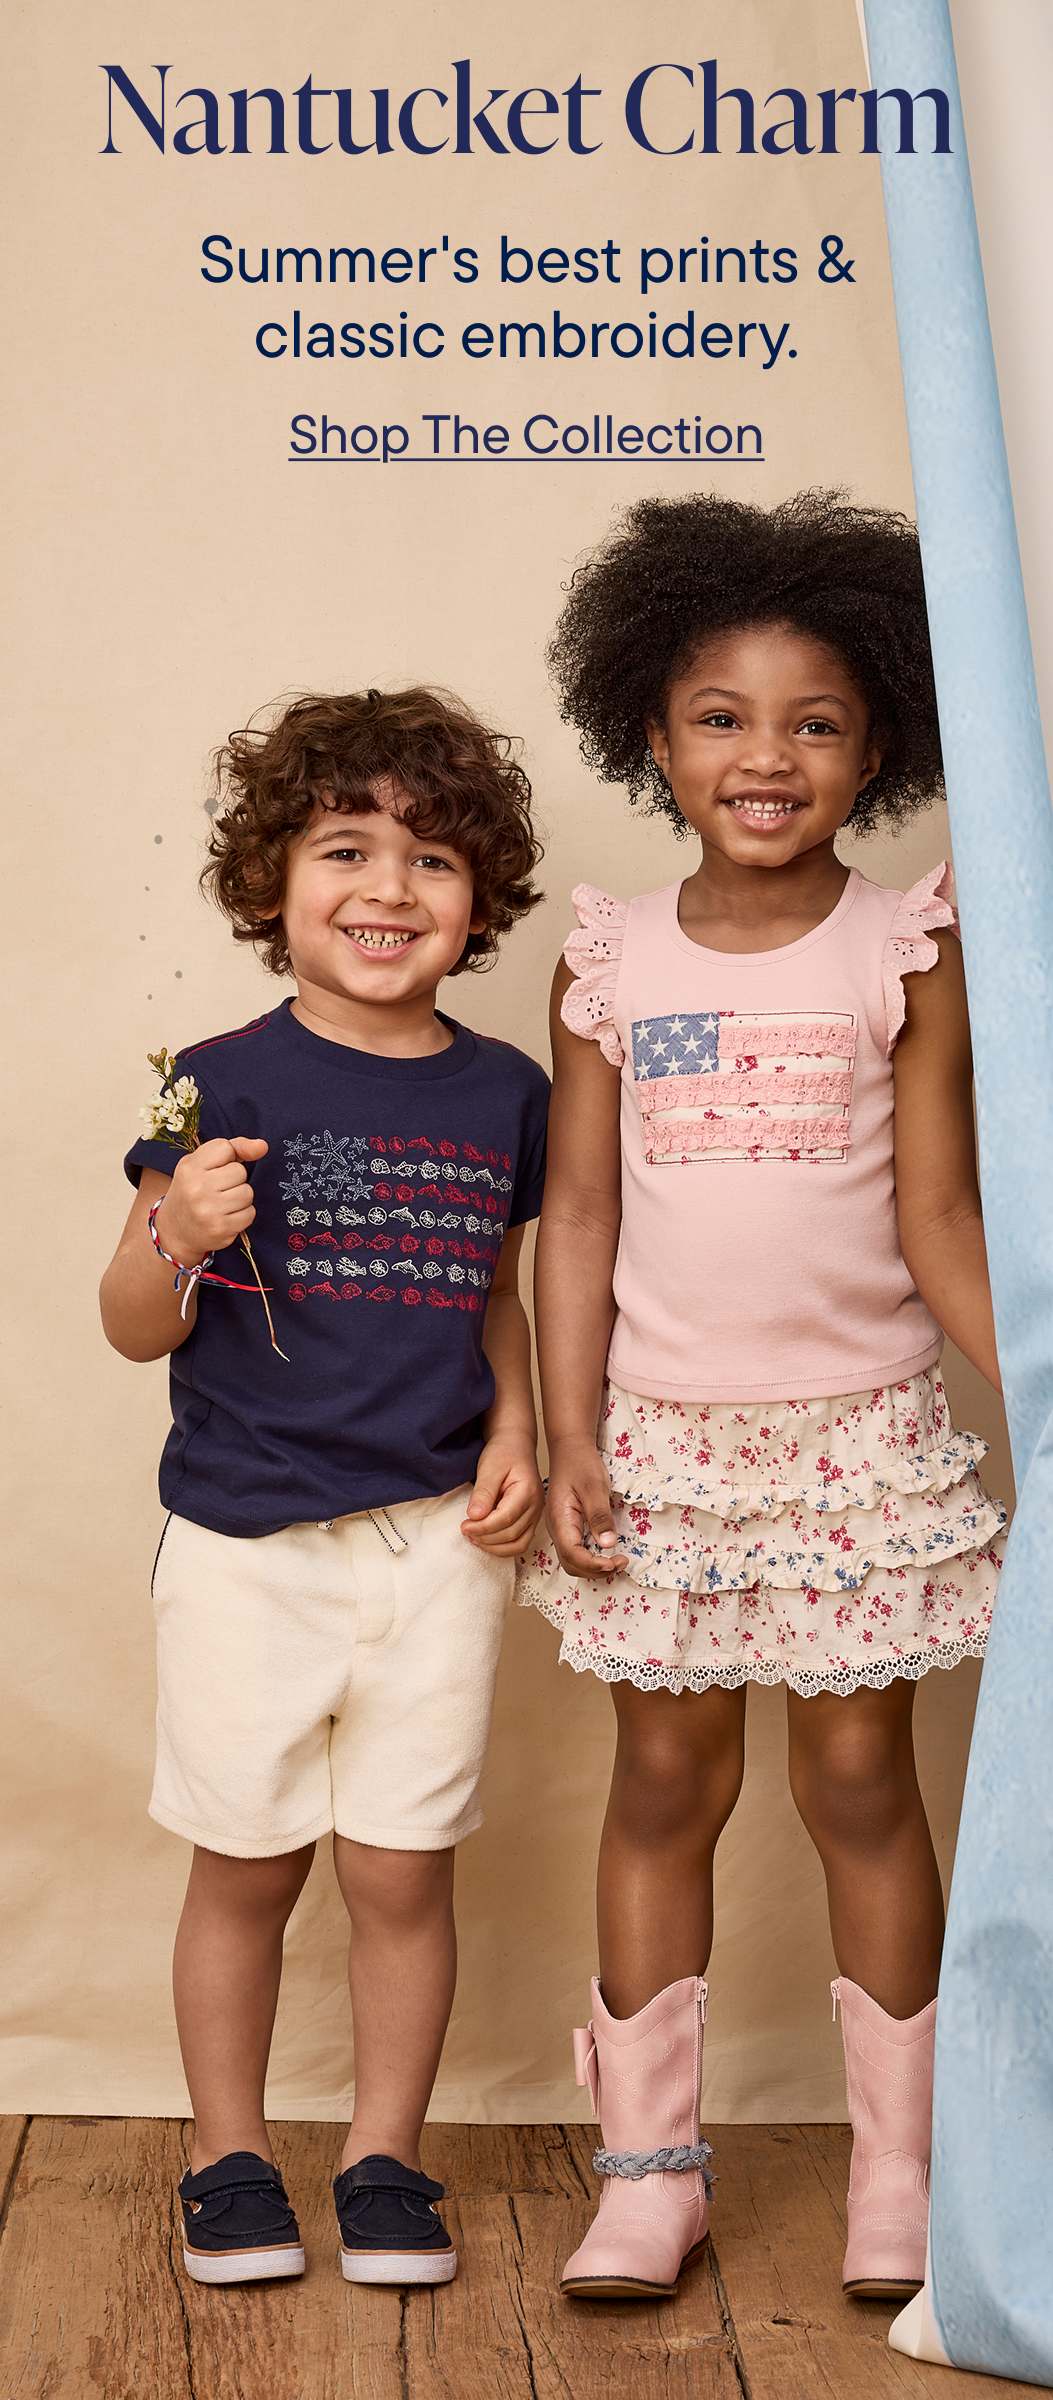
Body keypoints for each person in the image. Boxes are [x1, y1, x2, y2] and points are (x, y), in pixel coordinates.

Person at [519, 492, 1006, 2305]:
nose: (765, 755)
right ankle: (650, 2175)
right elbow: (576, 1215)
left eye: (814, 721)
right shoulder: (608, 958)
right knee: (661, 1780)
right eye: (719, 717)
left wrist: (1023, 1395)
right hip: (658, 1443)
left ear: (877, 743)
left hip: (858, 1433)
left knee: (867, 1783)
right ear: (649, 737)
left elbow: (934, 1206)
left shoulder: (901, 947)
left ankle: (902, 2173)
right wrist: (572, 1432)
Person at [101, 686, 549, 2289]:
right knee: (246, 1864)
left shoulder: (504, 1094)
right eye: (344, 850)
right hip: (244, 1540)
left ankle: (382, 2159)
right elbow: (128, 1318)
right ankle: (227, 2156)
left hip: (436, 1543)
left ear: (477, 902)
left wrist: (518, 1433)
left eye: (431, 862)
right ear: (270, 886)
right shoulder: (215, 1081)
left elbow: (494, 1295)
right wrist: (182, 1236)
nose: (387, 889)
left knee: (398, 1870)